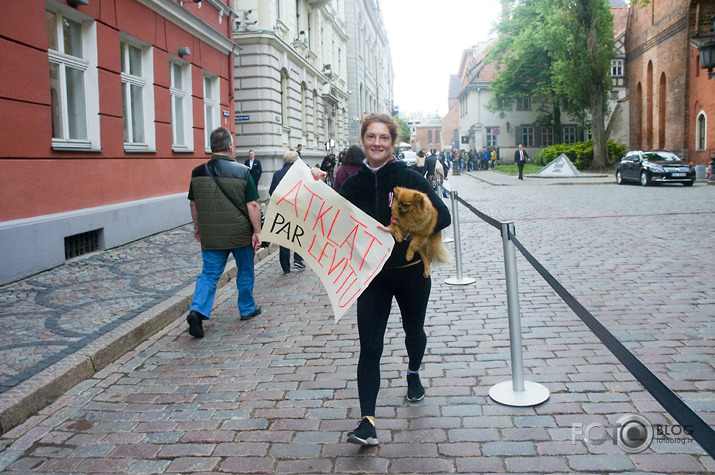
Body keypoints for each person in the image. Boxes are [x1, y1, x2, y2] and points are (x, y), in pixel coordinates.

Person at [338, 113, 451, 446]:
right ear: (363, 140)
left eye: (383, 138)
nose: (377, 143)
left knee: (413, 332)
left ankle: (413, 373)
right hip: (371, 277)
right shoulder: (351, 183)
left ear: (392, 142)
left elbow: (441, 216)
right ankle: (367, 422)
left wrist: (405, 231)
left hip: (410, 274)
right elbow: (327, 216)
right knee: (369, 347)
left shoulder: (409, 177)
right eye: (371, 137)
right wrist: (312, 183)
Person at [186, 127, 262, 338]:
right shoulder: (242, 171)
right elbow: (252, 205)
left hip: (212, 234)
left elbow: (194, 204)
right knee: (245, 269)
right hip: (240, 233)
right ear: (230, 146)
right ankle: (247, 308)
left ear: (212, 147)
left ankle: (197, 310)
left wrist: (198, 227)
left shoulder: (197, 172)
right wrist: (257, 231)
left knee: (209, 274)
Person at [269, 150, 306, 274]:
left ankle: (285, 267)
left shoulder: (277, 174)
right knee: (299, 233)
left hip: (283, 208)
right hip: (297, 207)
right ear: (295, 161)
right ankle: (298, 258)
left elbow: (271, 192)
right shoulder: (300, 173)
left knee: (284, 237)